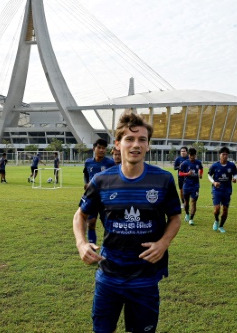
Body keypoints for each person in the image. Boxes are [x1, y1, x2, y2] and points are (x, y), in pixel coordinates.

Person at [73, 111, 181, 333]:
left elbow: (175, 217)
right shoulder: (102, 180)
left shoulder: (163, 180)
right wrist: (81, 243)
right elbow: (80, 215)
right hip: (109, 276)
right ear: (118, 143)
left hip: (145, 279)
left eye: (142, 139)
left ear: (148, 145)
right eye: (129, 139)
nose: (136, 144)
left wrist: (163, 243)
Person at [83, 138, 115, 244]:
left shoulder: (110, 163)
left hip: (105, 198)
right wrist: (86, 183)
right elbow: (86, 174)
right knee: (91, 223)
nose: (101, 150)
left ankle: (109, 247)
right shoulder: (88, 162)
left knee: (108, 224)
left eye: (104, 148)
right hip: (92, 197)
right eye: (99, 147)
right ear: (94, 148)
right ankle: (92, 247)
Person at [208, 146, 237, 233]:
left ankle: (221, 226)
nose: (224, 156)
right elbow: (209, 175)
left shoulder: (231, 165)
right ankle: (216, 220)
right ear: (219, 155)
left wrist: (235, 178)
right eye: (223, 154)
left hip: (227, 190)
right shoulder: (215, 165)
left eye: (226, 154)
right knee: (217, 209)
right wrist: (214, 182)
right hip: (217, 190)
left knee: (225, 210)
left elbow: (235, 174)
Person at [178, 147, 203, 225]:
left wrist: (200, 174)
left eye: (193, 155)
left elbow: (201, 169)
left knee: (193, 202)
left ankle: (191, 219)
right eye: (190, 155)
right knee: (186, 202)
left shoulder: (198, 162)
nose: (192, 157)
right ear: (189, 155)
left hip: (195, 186)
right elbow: (180, 173)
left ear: (195, 155)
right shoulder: (185, 163)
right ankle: (187, 214)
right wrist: (187, 174)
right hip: (186, 185)